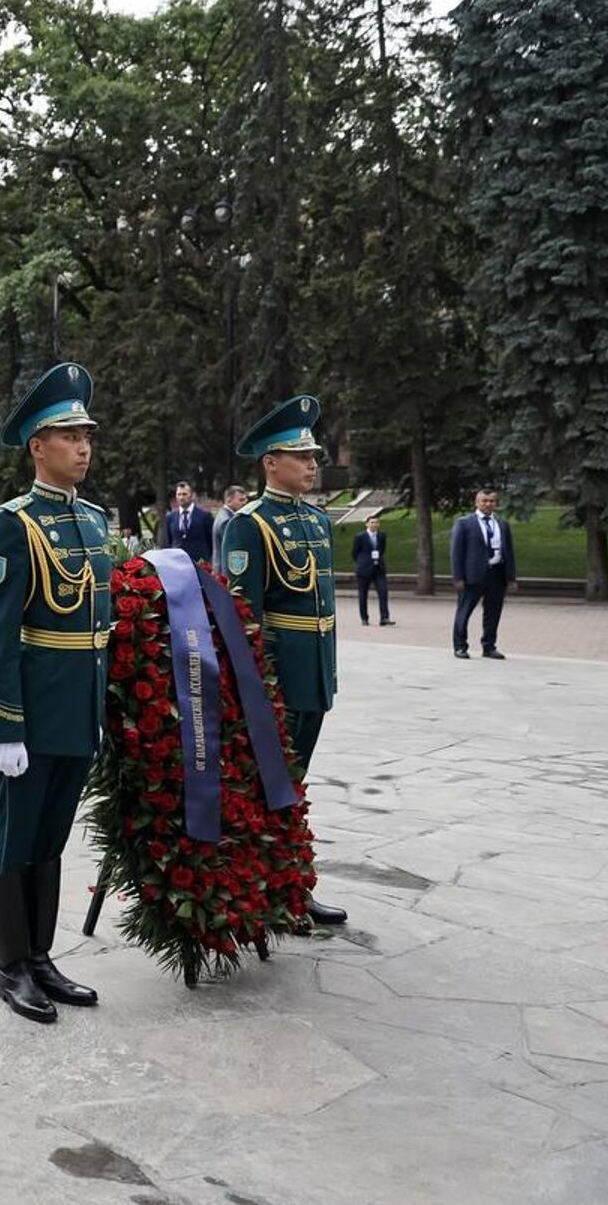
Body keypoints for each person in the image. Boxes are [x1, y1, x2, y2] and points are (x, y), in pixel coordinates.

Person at [0, 362, 109, 1023]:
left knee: (52, 837)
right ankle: (11, 965)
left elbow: (99, 626)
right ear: (37, 445)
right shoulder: (14, 523)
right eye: (68, 434)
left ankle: (42, 955)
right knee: (16, 837)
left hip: (79, 710)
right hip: (32, 708)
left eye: (87, 433)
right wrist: (4, 723)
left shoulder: (95, 519)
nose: (82, 445)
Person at [219, 395, 348, 928]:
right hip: (279, 682)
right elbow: (244, 617)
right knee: (270, 787)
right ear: (270, 463)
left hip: (314, 673)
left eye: (314, 454)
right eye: (300, 456)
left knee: (295, 785)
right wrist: (260, 687)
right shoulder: (251, 524)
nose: (312, 464)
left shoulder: (316, 522)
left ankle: (294, 885)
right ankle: (270, 894)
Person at [451, 488, 518, 660]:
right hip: (472, 576)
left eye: (492, 501)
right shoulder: (465, 523)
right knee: (464, 612)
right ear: (477, 502)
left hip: (496, 574)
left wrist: (511, 578)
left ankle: (489, 646)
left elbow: (508, 552)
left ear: (496, 503)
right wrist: (458, 577)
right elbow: (456, 552)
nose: (488, 504)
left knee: (493, 612)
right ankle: (460, 646)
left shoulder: (502, 525)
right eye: (484, 501)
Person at [352, 514, 395, 627]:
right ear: (367, 524)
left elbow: (382, 550)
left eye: (376, 522)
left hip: (378, 569)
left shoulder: (382, 536)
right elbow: (354, 553)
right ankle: (364, 618)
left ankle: (384, 618)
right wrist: (362, 562)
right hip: (364, 569)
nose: (374, 524)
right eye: (372, 522)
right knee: (363, 594)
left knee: (383, 592)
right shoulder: (360, 537)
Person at [158, 480, 215, 565]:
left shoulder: (205, 516)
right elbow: (170, 541)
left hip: (200, 564)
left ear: (193, 495)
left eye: (184, 494)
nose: (181, 497)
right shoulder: (170, 517)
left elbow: (211, 541)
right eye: (179, 494)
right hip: (177, 564)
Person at [211, 485, 249, 563]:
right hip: (225, 568)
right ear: (229, 501)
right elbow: (234, 548)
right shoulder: (226, 520)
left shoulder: (225, 515)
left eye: (245, 500)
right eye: (241, 500)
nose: (245, 503)